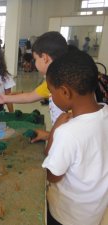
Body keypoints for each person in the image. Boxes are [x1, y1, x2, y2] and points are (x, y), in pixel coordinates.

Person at [42, 49, 108, 225]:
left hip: (65, 216)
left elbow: (52, 175)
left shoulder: (67, 132)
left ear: (65, 92)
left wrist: (55, 129)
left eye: (51, 91)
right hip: (93, 212)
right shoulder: (105, 112)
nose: (50, 96)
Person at [0, 31, 68, 140]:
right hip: (61, 137)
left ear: (45, 58)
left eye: (35, 59)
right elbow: (29, 96)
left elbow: (73, 128)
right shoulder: (52, 82)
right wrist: (5, 98)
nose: (35, 63)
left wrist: (50, 138)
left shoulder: (65, 85)